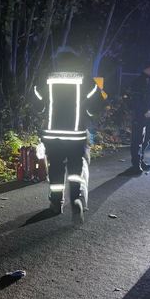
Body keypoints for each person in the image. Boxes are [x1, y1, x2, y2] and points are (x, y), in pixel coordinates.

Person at [33, 48, 106, 221]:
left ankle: (56, 204)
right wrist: (87, 114)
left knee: (56, 168)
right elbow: (97, 106)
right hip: (76, 135)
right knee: (75, 169)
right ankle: (75, 200)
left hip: (52, 135)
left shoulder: (47, 78)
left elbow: (37, 106)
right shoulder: (85, 80)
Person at [126, 59, 150, 176]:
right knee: (137, 140)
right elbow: (136, 99)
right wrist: (145, 111)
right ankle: (136, 164)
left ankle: (141, 160)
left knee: (147, 139)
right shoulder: (138, 81)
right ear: (149, 68)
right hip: (141, 116)